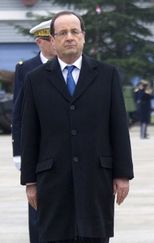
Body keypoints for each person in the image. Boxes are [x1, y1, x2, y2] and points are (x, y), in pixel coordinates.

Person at [20, 11, 134, 242]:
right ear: (52, 40)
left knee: (94, 236)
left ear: (83, 36)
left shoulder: (106, 75)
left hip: (96, 178)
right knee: (55, 235)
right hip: (52, 179)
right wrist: (30, 181)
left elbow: (118, 127)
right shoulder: (35, 79)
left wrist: (123, 174)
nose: (69, 37)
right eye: (62, 33)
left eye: (74, 31)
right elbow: (29, 132)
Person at [12, 19, 57, 243]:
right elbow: (18, 112)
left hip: (59, 145)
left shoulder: (68, 65)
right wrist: (18, 151)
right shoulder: (26, 68)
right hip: (36, 149)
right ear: (40, 42)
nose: (56, 42)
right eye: (51, 39)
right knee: (37, 203)